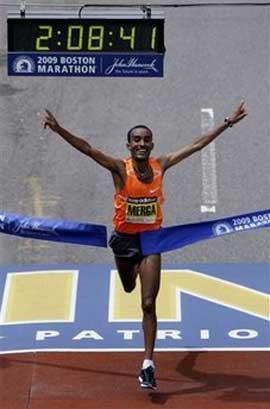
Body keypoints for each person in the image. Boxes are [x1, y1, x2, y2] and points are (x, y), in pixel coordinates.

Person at [44, 101, 247, 389]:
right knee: (128, 286)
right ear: (128, 145)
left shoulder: (160, 165)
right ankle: (135, 271)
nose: (142, 144)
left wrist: (227, 122)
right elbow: (87, 149)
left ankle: (148, 364)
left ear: (152, 145)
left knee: (148, 303)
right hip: (124, 242)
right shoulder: (118, 168)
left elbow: (196, 145)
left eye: (146, 140)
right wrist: (58, 129)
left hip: (152, 240)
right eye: (136, 140)